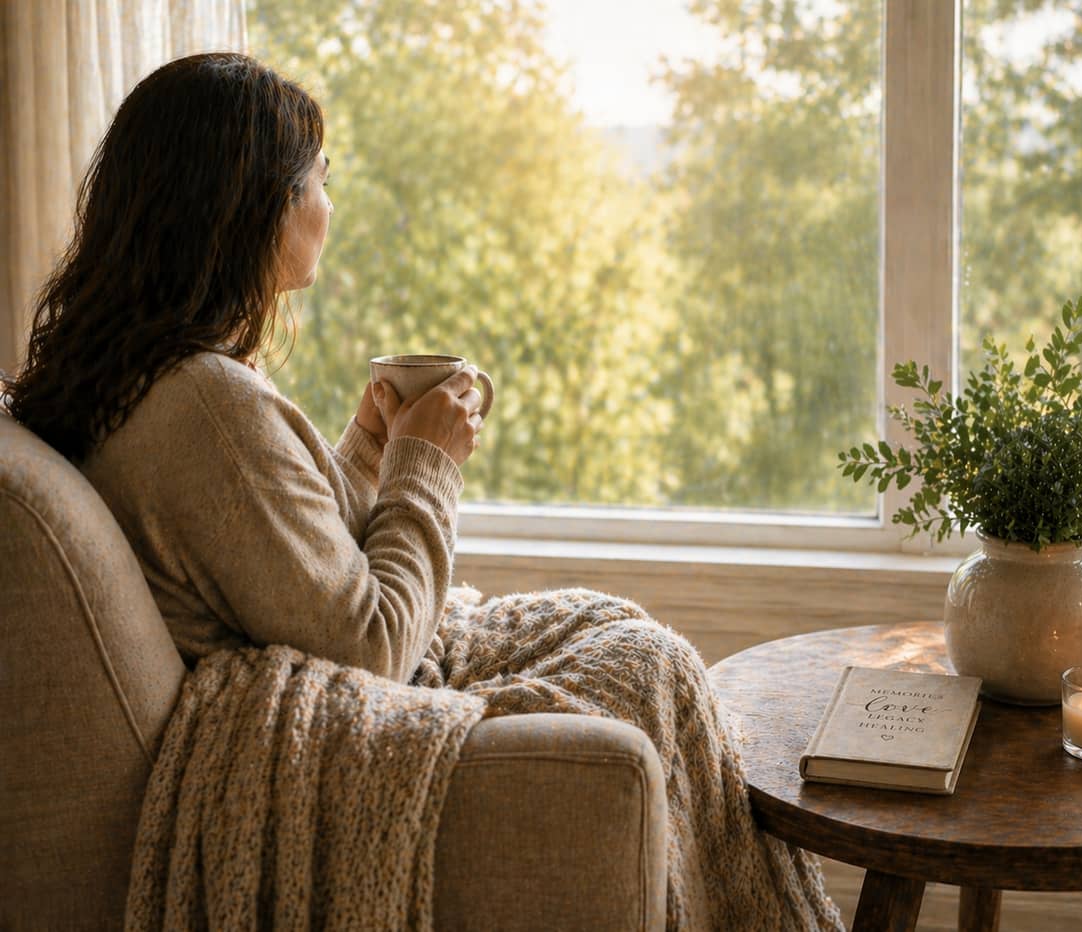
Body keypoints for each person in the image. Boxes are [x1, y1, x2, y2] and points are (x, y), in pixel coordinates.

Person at [3, 53, 841, 930]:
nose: (330, 201)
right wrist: (426, 470)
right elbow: (369, 648)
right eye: (319, 178)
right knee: (648, 665)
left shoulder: (146, 378)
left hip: (270, 674)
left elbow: (268, 555)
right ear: (260, 208)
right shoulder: (210, 404)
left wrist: (368, 450)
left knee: (628, 641)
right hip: (305, 710)